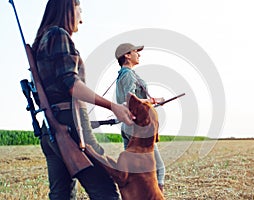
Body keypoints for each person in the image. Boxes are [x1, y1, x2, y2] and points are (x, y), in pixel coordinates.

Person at [32, 0, 134, 199]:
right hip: (71, 127)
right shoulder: (58, 35)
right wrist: (113, 106)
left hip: (51, 129)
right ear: (69, 8)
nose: (82, 18)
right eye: (80, 10)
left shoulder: (43, 40)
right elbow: (71, 84)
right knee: (104, 190)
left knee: (61, 195)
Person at [115, 43, 166, 192]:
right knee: (158, 169)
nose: (139, 54)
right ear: (127, 55)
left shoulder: (121, 75)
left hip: (126, 126)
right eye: (136, 52)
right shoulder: (129, 74)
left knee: (134, 171)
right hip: (136, 127)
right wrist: (153, 100)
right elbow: (130, 100)